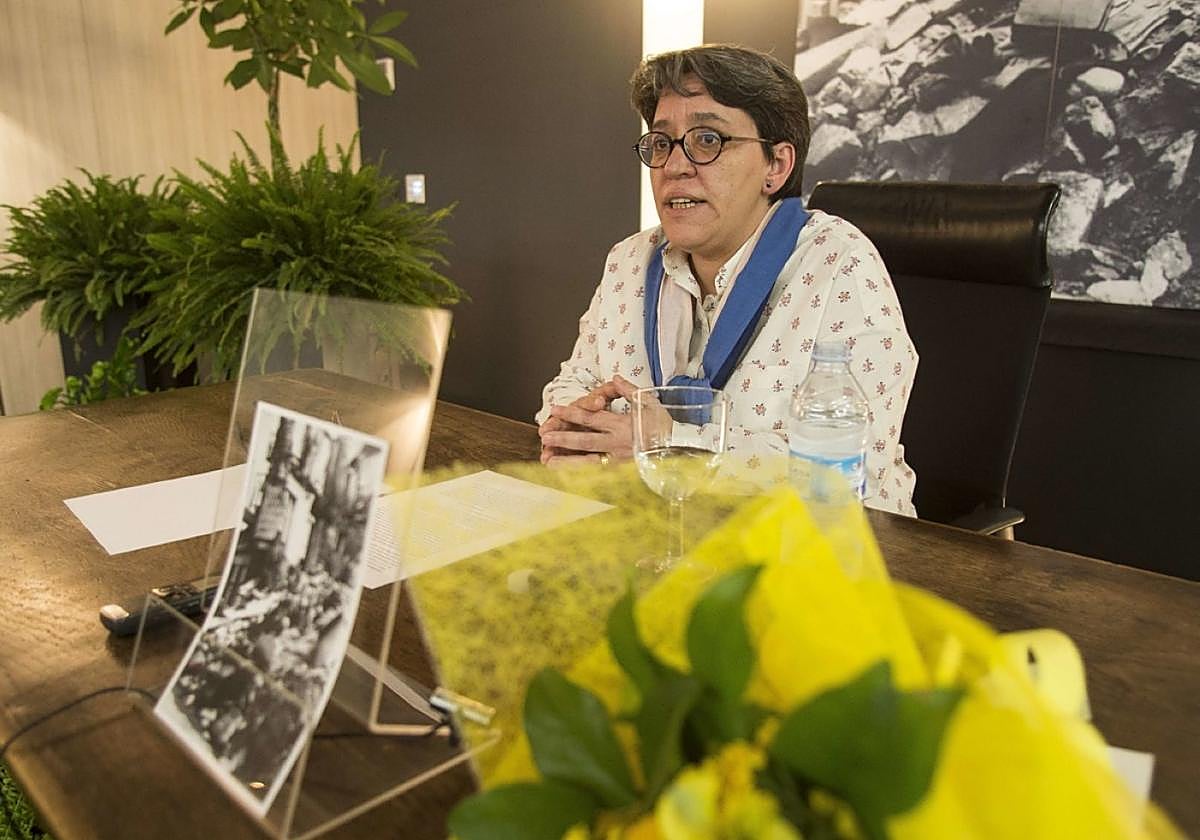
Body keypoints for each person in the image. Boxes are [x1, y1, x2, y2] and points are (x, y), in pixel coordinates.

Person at [536, 44, 917, 515]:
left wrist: (669, 445)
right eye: (661, 143)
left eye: (708, 140)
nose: (675, 166)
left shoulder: (841, 264)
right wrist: (578, 434)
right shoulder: (630, 260)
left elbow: (846, 471)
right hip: (656, 533)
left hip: (822, 556)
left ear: (776, 165)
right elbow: (573, 383)